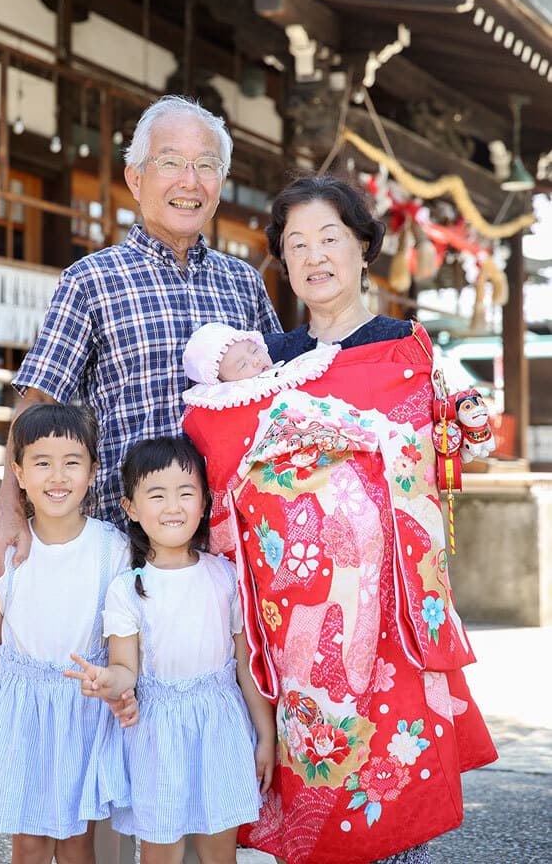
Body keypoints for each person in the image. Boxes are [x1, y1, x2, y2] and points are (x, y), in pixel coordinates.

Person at [182, 174, 497, 864]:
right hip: (302, 624)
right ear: (285, 263)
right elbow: (231, 474)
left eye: (330, 238)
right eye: (297, 244)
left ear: (362, 249)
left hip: (391, 613)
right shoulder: (268, 367)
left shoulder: (407, 350)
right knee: (319, 790)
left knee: (395, 799)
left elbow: (446, 445)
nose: (314, 256)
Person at [0, 94, 280, 589]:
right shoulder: (90, 280)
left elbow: (280, 396)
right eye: (171, 163)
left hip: (228, 549)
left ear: (221, 183)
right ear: (135, 179)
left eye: (206, 165)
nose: (190, 180)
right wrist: (7, 507)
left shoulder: (244, 283)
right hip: (122, 551)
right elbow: (37, 402)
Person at [66, 437, 276, 864]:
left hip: (221, 725)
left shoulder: (225, 575)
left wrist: (266, 735)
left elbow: (245, 667)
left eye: (186, 492)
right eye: (156, 495)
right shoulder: (127, 589)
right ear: (130, 508)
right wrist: (108, 681)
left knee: (219, 850)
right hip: (157, 731)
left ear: (204, 502)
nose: (173, 506)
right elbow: (126, 668)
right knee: (162, 850)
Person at [0, 403, 134, 864]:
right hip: (22, 713)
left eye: (71, 463)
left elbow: (124, 644)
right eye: (42, 463)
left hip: (84, 710)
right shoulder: (4, 552)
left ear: (93, 471)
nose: (57, 477)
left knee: (80, 843)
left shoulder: (112, 548)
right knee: (30, 844)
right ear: (18, 473)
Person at [182, 321, 273, 384]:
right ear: (222, 382)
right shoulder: (231, 402)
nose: (256, 360)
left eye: (254, 350)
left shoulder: (284, 372)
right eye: (243, 365)